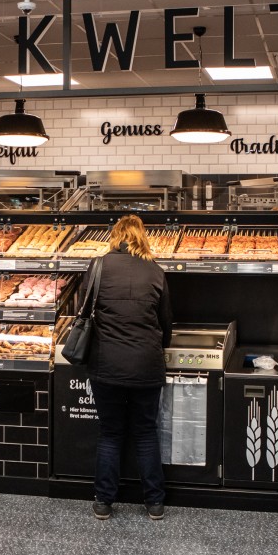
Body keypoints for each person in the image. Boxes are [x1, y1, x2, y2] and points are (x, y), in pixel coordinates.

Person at [87, 213, 172, 521]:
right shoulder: (156, 271)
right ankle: (155, 503)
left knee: (110, 432)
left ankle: (103, 502)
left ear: (116, 236)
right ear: (141, 236)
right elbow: (166, 324)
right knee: (146, 432)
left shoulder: (98, 266)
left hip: (106, 363)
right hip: (147, 365)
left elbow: (86, 308)